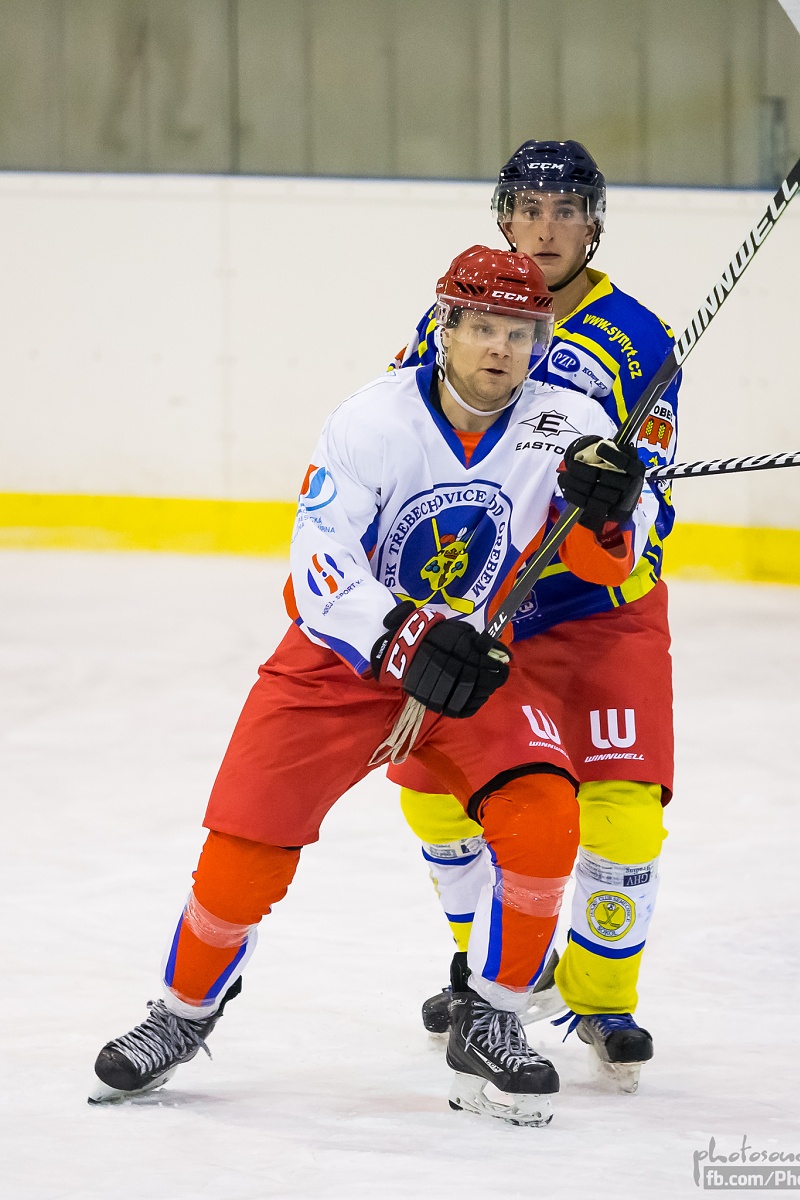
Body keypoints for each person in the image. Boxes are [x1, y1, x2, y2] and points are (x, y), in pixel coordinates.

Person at [88, 246, 650, 1128]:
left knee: (545, 816)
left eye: (518, 332)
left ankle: (492, 1016)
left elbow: (604, 556)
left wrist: (611, 508)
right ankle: (182, 1013)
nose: (499, 348)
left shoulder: (571, 422)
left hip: (470, 667)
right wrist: (405, 637)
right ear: (445, 328)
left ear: (539, 341)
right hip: (342, 663)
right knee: (242, 854)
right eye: (482, 328)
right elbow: (320, 568)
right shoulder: (371, 420)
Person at [389, 141, 681, 1093]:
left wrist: (619, 498)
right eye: (529, 208)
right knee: (435, 792)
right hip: (492, 605)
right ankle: (488, 971)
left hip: (600, 611)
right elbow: (410, 429)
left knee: (621, 813)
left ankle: (601, 997)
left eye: (566, 211)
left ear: (594, 223)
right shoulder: (462, 312)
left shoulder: (639, 337)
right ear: (503, 216)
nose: (546, 228)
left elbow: (652, 497)